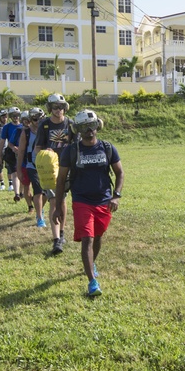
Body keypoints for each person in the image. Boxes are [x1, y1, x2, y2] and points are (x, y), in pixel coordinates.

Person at [54, 109, 123, 297]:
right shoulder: (71, 151)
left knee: (98, 237)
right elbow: (60, 180)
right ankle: (92, 282)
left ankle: (92, 263)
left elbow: (119, 173)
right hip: (81, 201)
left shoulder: (108, 148)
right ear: (78, 130)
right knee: (87, 238)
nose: (89, 131)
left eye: (92, 126)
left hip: (104, 200)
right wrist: (58, 206)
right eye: (84, 127)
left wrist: (116, 195)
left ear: (97, 126)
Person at [33, 93, 72, 255]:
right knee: (54, 201)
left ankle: (62, 232)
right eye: (55, 107)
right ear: (50, 109)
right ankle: (56, 240)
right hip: (51, 170)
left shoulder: (70, 124)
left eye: (61, 107)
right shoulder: (45, 125)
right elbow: (37, 148)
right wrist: (44, 154)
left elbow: (77, 145)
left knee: (62, 201)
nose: (59, 110)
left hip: (67, 168)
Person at [16, 107, 47, 227]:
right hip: (31, 165)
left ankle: (40, 208)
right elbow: (21, 151)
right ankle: (40, 218)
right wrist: (19, 170)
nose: (38, 121)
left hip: (46, 165)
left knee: (46, 194)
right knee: (38, 190)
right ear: (30, 120)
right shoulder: (26, 132)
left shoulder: (47, 130)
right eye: (35, 119)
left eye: (40, 119)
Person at [0, 106, 23, 200]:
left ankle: (21, 192)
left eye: (17, 115)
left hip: (23, 152)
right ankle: (16, 194)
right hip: (11, 152)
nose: (15, 117)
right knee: (15, 173)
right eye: (13, 115)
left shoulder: (24, 126)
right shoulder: (6, 127)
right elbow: (2, 141)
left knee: (23, 173)